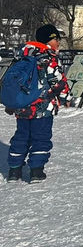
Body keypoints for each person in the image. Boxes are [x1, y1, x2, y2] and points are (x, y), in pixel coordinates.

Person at [5, 24, 72, 183]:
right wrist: (66, 97)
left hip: (22, 105)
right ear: (50, 40)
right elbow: (57, 81)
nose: (59, 43)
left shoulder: (22, 55)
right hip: (42, 107)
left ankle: (14, 171)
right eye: (57, 39)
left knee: (21, 137)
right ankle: (36, 171)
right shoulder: (49, 57)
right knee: (40, 137)